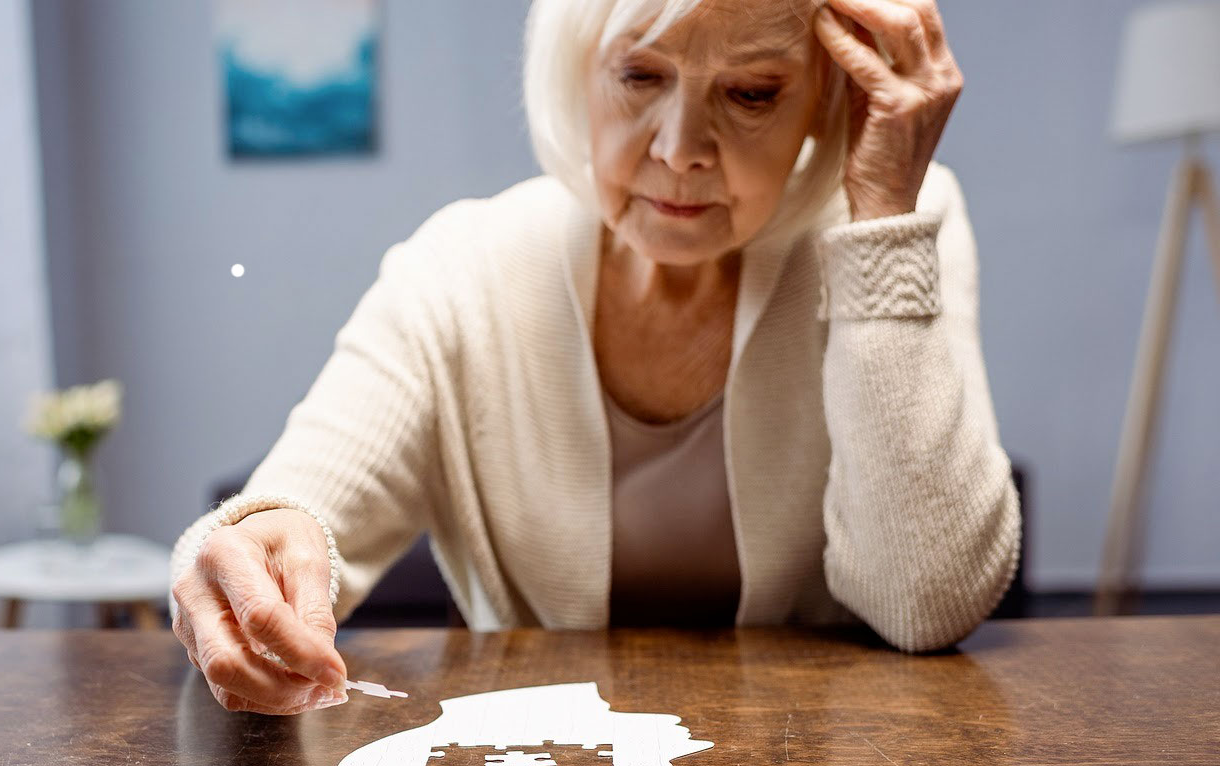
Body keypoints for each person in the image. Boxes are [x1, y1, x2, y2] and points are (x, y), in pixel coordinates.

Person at [169, 0, 1019, 715]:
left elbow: (926, 604)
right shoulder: (462, 267)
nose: (681, 147)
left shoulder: (896, 220)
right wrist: (242, 554)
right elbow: (288, 512)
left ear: (827, 100)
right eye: (641, 76)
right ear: (577, 71)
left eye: (753, 92)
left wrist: (881, 225)